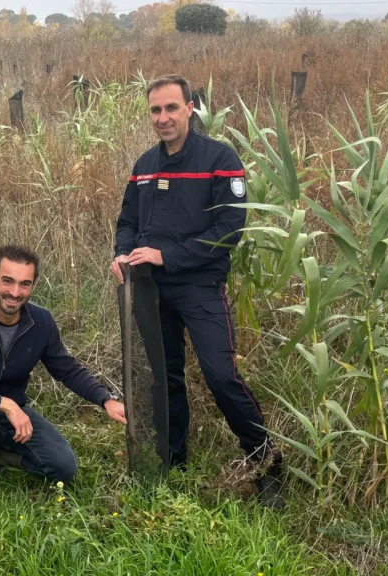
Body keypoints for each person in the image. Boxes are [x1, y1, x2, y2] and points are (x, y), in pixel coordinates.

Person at [111, 74, 285, 510]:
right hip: (149, 289)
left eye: (172, 108)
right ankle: (173, 461)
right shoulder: (144, 165)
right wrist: (122, 254)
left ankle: (266, 464)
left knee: (221, 376)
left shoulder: (219, 159)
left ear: (191, 108)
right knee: (164, 377)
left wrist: (168, 257)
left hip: (199, 285)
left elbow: (230, 230)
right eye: (155, 110)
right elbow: (128, 222)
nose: (163, 118)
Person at [0, 245, 126, 520]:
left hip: (11, 420)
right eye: (7, 281)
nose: (14, 292)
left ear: (33, 285)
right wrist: (5, 404)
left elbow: (65, 368)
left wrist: (105, 399)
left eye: (25, 284)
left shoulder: (41, 321)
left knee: (64, 467)